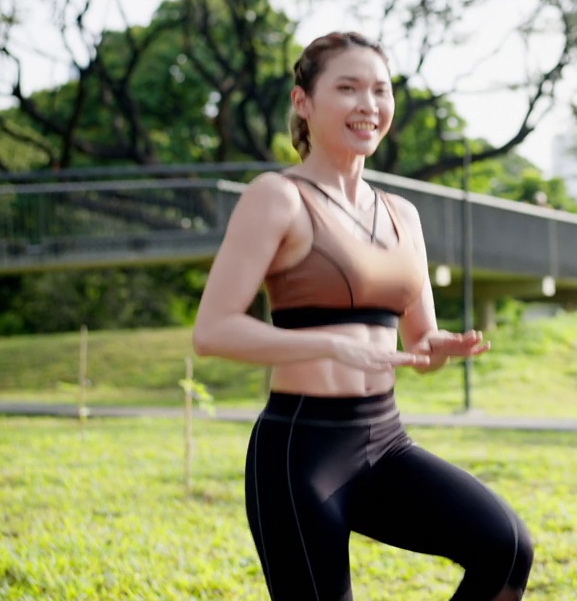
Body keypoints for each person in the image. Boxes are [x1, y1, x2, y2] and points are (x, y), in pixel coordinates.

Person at [192, 31, 533, 601]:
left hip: (384, 441)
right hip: (300, 452)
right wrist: (329, 346)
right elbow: (213, 331)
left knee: (505, 548)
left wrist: (439, 346)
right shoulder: (278, 196)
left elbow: (420, 344)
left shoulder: (403, 214)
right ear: (304, 101)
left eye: (380, 89)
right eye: (347, 88)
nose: (368, 105)